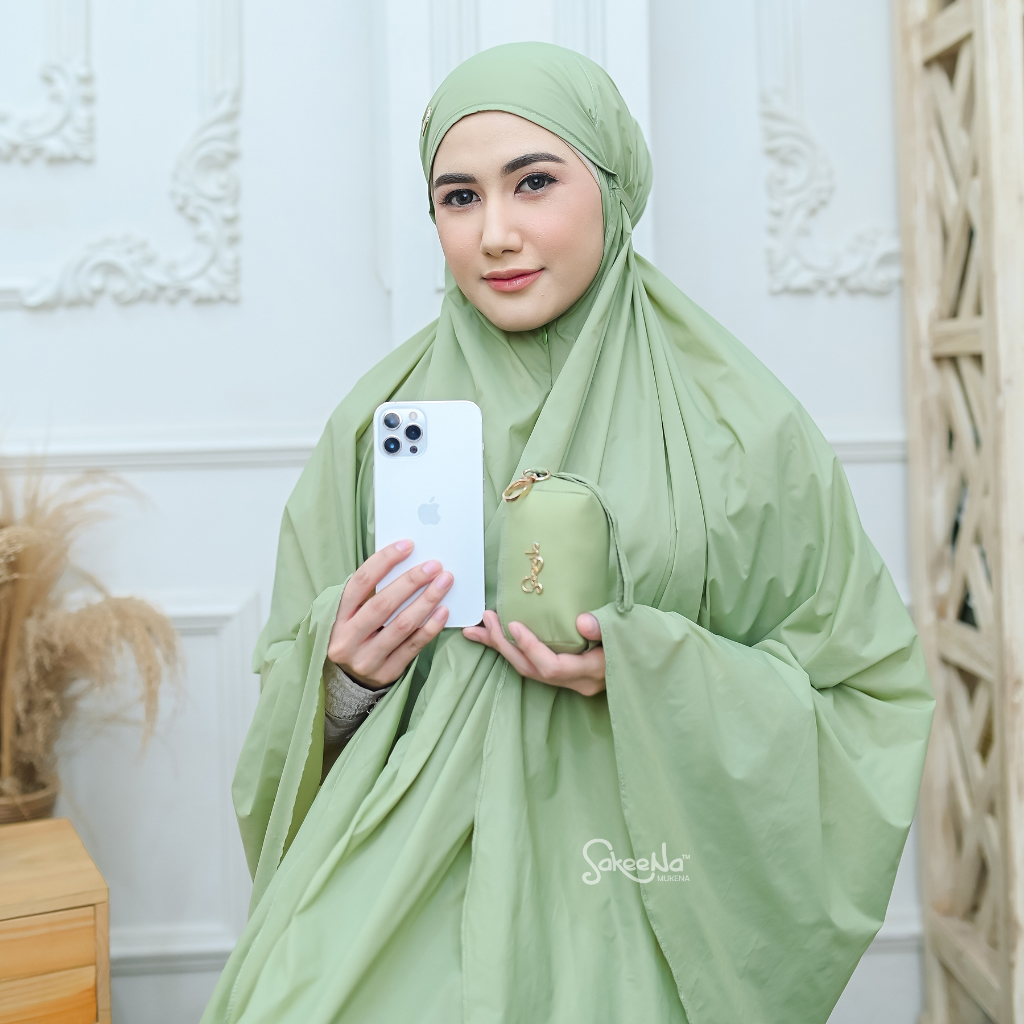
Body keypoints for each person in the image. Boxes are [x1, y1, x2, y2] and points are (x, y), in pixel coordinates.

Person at [201, 42, 934, 1024]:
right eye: (459, 198)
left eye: (534, 182)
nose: (495, 233)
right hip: (395, 899)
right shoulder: (371, 426)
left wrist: (647, 666)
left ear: (613, 188)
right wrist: (344, 680)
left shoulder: (741, 426)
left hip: (639, 902)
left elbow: (864, 696)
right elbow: (286, 718)